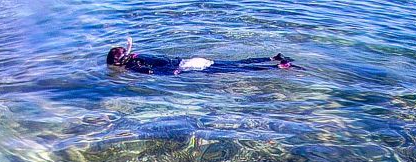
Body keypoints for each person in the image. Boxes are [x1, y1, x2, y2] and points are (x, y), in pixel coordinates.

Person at [106, 37, 300, 75]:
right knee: (236, 64)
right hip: (190, 60)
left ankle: (278, 67)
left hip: (190, 66)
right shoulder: (137, 55)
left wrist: (173, 73)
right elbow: (157, 62)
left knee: (237, 70)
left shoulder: (132, 65)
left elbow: (151, 70)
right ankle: (273, 58)